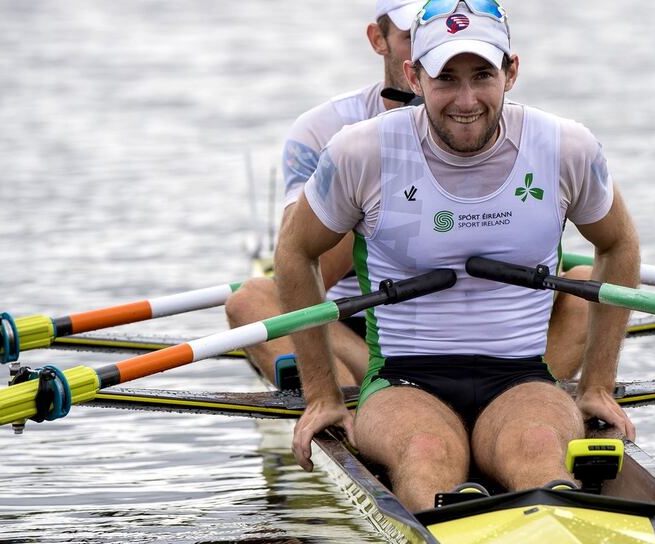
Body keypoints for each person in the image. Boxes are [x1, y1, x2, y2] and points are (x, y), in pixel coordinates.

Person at [279, 0, 639, 511]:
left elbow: (618, 243)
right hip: (404, 378)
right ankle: (455, 525)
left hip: (520, 374)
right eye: (445, 78)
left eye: (482, 75)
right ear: (414, 76)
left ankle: (557, 528)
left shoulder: (564, 146)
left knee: (538, 450)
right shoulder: (362, 151)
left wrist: (598, 384)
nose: (466, 99)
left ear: (511, 72)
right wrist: (322, 395)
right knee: (426, 452)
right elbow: (295, 253)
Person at [225, 0, 592, 388]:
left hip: (481, 323)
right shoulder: (325, 130)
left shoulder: (489, 120)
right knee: (249, 301)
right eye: (410, 37)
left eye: (477, 68)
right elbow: (301, 257)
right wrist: (380, 197)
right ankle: (344, 396)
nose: (436, 51)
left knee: (588, 281)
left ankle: (528, 394)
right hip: (352, 312)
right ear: (381, 43)